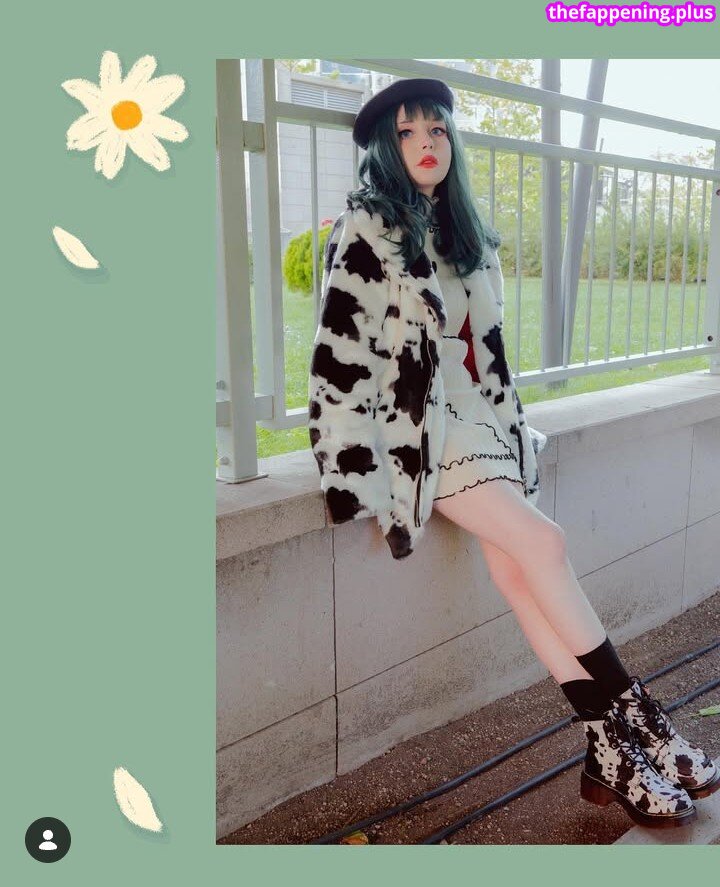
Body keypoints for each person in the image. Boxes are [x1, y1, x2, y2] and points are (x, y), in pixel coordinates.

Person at [307, 76, 718, 830]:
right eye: (407, 133)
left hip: (483, 423)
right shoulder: (366, 226)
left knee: (519, 574)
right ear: (385, 148)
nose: (426, 145)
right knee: (544, 543)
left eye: (437, 131)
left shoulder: (462, 228)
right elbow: (338, 359)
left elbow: (486, 353)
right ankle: (646, 724)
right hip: (425, 433)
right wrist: (353, 478)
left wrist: (504, 420)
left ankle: (607, 747)